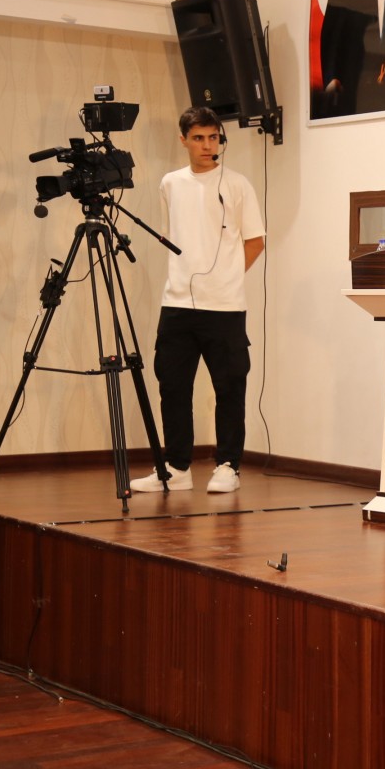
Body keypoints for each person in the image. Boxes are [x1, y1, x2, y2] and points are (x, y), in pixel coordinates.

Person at [129, 107, 266, 494]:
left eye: (213, 137)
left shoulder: (237, 184)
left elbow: (255, 241)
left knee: (229, 387)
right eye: (199, 138)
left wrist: (226, 276)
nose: (207, 145)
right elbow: (172, 236)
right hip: (176, 305)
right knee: (172, 387)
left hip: (224, 307)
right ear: (184, 140)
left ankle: (228, 465)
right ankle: (176, 467)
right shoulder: (170, 183)